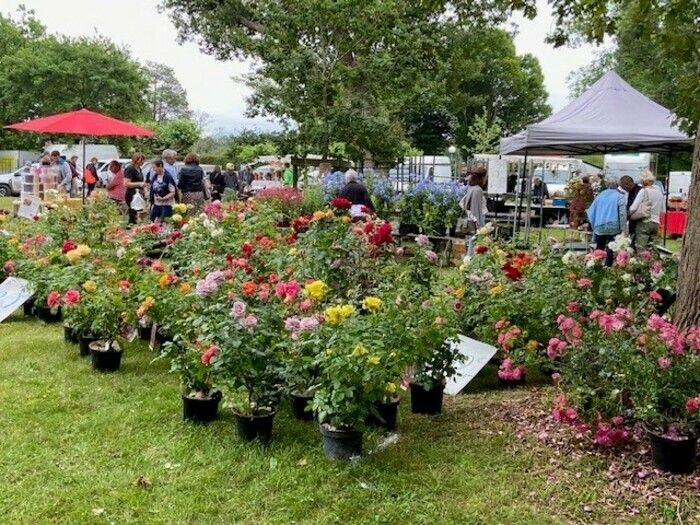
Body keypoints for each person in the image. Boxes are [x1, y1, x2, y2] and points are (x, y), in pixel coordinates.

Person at [586, 179, 627, 266]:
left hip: (599, 226)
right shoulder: (620, 196)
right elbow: (622, 213)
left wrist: (594, 225)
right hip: (613, 225)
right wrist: (623, 228)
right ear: (617, 185)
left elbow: (591, 211)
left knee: (599, 247)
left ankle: (595, 265)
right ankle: (608, 266)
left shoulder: (599, 196)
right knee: (611, 246)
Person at [629, 170, 665, 250]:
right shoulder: (659, 192)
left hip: (644, 222)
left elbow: (633, 208)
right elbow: (663, 210)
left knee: (641, 249)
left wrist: (630, 213)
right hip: (656, 223)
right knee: (653, 248)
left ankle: (642, 262)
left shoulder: (643, 191)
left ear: (642, 181)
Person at [459, 169, 487, 256]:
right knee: (475, 238)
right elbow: (477, 207)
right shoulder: (478, 190)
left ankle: (469, 258)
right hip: (478, 216)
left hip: (472, 215)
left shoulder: (471, 189)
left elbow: (463, 203)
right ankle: (469, 258)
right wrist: (477, 221)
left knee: (473, 238)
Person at [124, 153, 147, 224]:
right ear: (136, 160)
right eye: (141, 160)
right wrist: (139, 184)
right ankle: (131, 227)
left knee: (139, 213)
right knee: (133, 213)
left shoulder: (139, 169)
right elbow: (126, 183)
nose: (143, 161)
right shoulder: (130, 169)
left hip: (139, 193)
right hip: (131, 194)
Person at [619, 175, 642, 242]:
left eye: (622, 187)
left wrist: (627, 215)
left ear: (627, 185)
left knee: (635, 238)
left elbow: (634, 207)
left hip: (637, 219)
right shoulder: (633, 191)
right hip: (633, 218)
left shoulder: (638, 191)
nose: (623, 189)